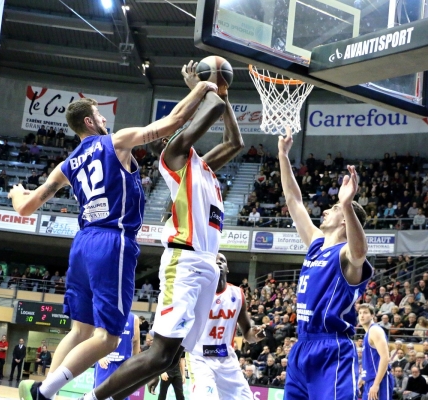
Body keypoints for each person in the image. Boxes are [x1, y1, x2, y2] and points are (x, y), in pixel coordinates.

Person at [11, 78, 218, 400]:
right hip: (112, 240)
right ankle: (45, 391)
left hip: (82, 243)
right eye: (101, 116)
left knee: (80, 330)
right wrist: (201, 88)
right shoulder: (116, 142)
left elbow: (25, 208)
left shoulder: (65, 166)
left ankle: (45, 390)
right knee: (108, 338)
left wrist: (15, 193)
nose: (107, 120)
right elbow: (174, 122)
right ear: (90, 121)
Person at [81, 61, 243, 400]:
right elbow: (211, 108)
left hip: (206, 266)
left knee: (168, 358)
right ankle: (92, 399)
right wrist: (205, 86)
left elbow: (235, 141)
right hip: (184, 262)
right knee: (158, 353)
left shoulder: (203, 167)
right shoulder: (174, 156)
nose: (176, 131)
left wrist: (219, 92)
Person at [278, 124, 373, 400]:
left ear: (344, 220)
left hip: (332, 350)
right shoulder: (317, 244)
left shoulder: (346, 254)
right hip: (302, 347)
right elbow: (293, 201)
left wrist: (346, 204)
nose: (326, 210)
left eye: (333, 209)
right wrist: (283, 156)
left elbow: (360, 253)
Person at [186, 253, 265, 399]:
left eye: (222, 261)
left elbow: (247, 332)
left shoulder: (237, 294)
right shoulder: (198, 292)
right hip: (200, 358)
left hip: (226, 359)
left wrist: (256, 335)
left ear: (227, 268)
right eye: (214, 261)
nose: (219, 263)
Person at [94, 313, 140, 400]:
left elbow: (136, 341)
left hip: (124, 365)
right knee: (100, 395)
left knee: (122, 396)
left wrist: (135, 363)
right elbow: (95, 336)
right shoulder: (104, 312)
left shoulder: (134, 318)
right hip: (106, 363)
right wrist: (99, 357)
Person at [358, 304, 393, 400]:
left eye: (365, 313)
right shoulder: (367, 333)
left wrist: (376, 384)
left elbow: (385, 358)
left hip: (379, 380)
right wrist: (363, 378)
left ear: (373, 315)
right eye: (360, 313)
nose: (362, 316)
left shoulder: (375, 330)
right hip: (370, 380)